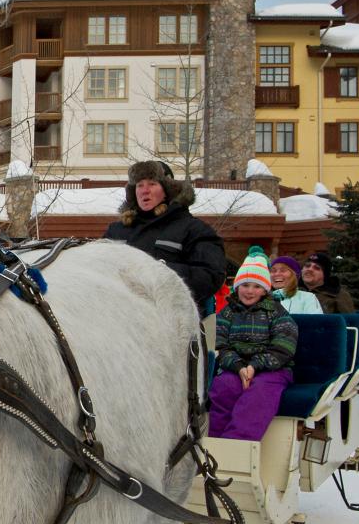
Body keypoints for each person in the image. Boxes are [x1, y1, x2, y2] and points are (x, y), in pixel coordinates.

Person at [105, 160, 226, 308]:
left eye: (152, 184)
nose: (144, 190)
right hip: (118, 314)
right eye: (139, 185)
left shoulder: (194, 229)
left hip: (170, 317)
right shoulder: (116, 231)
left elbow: (210, 276)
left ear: (168, 190)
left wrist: (161, 271)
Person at [210, 247, 297, 440]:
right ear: (237, 287)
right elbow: (220, 344)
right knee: (224, 386)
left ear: (265, 289)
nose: (250, 291)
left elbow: (284, 347)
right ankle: (214, 442)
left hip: (272, 369)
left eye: (257, 286)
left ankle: (237, 443)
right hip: (236, 368)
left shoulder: (276, 312)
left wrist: (255, 365)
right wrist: (238, 366)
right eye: (245, 285)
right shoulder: (227, 313)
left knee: (259, 392)